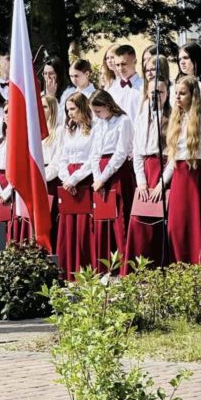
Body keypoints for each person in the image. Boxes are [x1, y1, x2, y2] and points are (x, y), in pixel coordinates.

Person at [162, 76, 201, 265]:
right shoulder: (176, 120)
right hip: (180, 177)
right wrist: (161, 184)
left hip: (199, 176)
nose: (178, 97)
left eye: (182, 93)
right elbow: (172, 159)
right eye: (176, 94)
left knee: (198, 223)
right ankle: (180, 265)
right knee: (176, 225)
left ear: (193, 95)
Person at [123, 77, 171, 273]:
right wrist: (141, 182)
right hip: (146, 170)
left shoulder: (173, 116)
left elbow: (174, 155)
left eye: (159, 92)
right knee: (140, 219)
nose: (155, 96)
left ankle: (163, 265)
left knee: (163, 218)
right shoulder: (143, 117)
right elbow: (137, 152)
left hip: (164, 169)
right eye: (151, 92)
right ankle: (139, 267)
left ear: (166, 93)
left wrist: (162, 183)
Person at [89, 89, 134, 271]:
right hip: (100, 172)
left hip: (116, 172)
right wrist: (96, 177)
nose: (97, 116)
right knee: (102, 220)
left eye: (99, 111)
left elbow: (121, 152)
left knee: (120, 219)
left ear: (107, 105)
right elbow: (94, 152)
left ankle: (126, 266)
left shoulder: (123, 121)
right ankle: (105, 266)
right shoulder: (99, 124)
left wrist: (104, 176)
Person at [55, 92, 95, 280]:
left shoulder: (94, 128)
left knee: (83, 226)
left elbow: (92, 158)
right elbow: (62, 157)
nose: (70, 113)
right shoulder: (68, 130)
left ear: (83, 108)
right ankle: (67, 269)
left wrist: (75, 179)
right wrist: (65, 178)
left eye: (73, 109)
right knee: (68, 226)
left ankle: (85, 269)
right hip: (68, 180)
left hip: (83, 179)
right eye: (67, 110)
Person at [0, 103, 30, 243]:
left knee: (15, 226)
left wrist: (7, 192)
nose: (8, 114)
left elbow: (23, 167)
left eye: (12, 111)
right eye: (5, 112)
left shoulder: (25, 138)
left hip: (15, 188)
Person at [42, 94, 63, 250]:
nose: (41, 111)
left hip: (50, 180)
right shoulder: (35, 130)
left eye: (45, 107)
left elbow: (57, 162)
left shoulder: (59, 131)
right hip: (37, 180)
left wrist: (42, 177)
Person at [177, 42, 201, 114]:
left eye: (186, 58)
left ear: (196, 59)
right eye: (180, 59)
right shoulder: (179, 83)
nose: (182, 62)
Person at [107, 44, 143, 118]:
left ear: (135, 62)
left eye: (124, 64)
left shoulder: (145, 87)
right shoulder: (112, 91)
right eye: (117, 65)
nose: (120, 68)